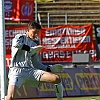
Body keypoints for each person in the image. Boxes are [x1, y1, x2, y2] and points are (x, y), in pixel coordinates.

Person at [6, 21, 64, 100]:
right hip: (16, 71)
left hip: (29, 71)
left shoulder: (34, 45)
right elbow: (16, 44)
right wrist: (30, 49)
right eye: (34, 32)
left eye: (37, 33)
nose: (36, 35)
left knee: (56, 79)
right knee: (10, 97)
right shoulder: (20, 37)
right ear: (28, 30)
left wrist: (50, 68)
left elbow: (36, 64)